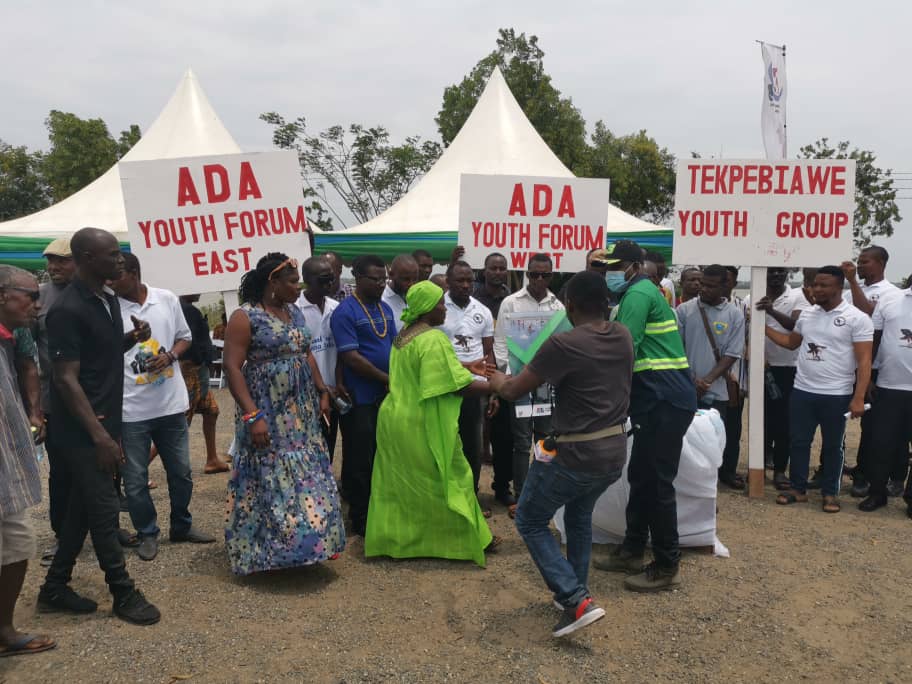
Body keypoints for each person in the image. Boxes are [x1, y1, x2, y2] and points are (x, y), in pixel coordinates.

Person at [490, 271, 633, 638]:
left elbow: (512, 390)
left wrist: (493, 378)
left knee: (529, 519)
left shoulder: (564, 344)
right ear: (607, 303)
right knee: (579, 514)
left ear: (569, 305)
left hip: (576, 454)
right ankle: (577, 591)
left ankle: (574, 599)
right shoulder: (622, 336)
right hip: (613, 453)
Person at [38, 227, 160, 625]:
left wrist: (132, 337)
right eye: (112, 253)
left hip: (105, 422)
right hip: (82, 430)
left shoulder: (105, 298)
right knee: (105, 509)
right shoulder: (66, 309)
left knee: (81, 507)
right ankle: (123, 592)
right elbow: (65, 378)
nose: (120, 259)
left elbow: (99, 352)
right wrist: (100, 436)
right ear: (88, 258)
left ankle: (54, 587)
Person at [222, 252, 345, 575]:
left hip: (301, 410)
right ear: (272, 282)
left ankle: (311, 542)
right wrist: (253, 416)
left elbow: (306, 354)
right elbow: (232, 367)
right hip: (267, 410)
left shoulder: (294, 312)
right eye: (292, 282)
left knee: (307, 473)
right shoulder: (245, 316)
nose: (297, 287)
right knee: (269, 474)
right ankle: (269, 551)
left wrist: (322, 391)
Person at [365, 280, 495, 566]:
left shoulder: (404, 335)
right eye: (439, 304)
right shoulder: (433, 338)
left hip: (394, 419)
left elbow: (423, 369)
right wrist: (498, 386)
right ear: (426, 308)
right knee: (452, 476)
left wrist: (464, 366)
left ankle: (400, 541)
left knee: (403, 485)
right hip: (421, 421)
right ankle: (464, 540)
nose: (444, 308)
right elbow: (455, 385)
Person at [594, 240, 696, 592]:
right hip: (657, 398)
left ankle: (667, 565)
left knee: (656, 483)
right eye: (607, 267)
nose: (610, 272)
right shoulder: (636, 293)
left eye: (616, 266)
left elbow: (623, 350)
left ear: (635, 267)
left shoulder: (637, 295)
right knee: (640, 475)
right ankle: (633, 549)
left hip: (663, 398)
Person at [111, 253, 214, 562]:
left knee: (181, 472)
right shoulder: (110, 308)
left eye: (115, 275)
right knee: (135, 479)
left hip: (170, 405)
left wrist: (169, 356)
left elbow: (185, 337)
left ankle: (181, 525)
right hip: (131, 410)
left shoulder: (166, 299)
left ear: (133, 273)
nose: (109, 281)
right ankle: (147, 532)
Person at [766, 266, 873, 513]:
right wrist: (762, 327)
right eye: (815, 284)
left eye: (824, 285)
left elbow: (864, 361)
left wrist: (858, 397)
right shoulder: (807, 315)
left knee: (833, 446)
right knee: (799, 442)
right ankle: (798, 489)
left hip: (837, 394)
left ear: (838, 287)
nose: (817, 289)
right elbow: (791, 343)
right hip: (803, 391)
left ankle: (830, 493)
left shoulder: (857, 318)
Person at [0, 265, 56, 657]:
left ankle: (4, 630)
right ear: (3, 294)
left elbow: (28, 368)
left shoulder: (13, 337)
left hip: (6, 467)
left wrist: (34, 414)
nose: (37, 304)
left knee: (19, 543)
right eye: (31, 296)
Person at [494, 254, 565, 513]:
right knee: (522, 442)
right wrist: (509, 375)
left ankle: (542, 493)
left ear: (551, 276)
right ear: (527, 274)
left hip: (547, 384)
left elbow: (562, 346)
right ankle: (522, 495)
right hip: (519, 382)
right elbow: (500, 342)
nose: (539, 279)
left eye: (545, 275)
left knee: (545, 439)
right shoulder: (511, 303)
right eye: (534, 274)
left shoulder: (558, 307)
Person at [330, 254, 395, 536]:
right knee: (360, 456)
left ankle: (381, 509)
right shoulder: (345, 312)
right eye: (375, 279)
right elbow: (351, 357)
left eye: (384, 279)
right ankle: (360, 517)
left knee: (383, 452)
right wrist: (386, 378)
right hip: (360, 396)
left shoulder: (385, 308)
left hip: (386, 395)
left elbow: (394, 345)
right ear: (358, 277)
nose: (381, 284)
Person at [676, 264, 746, 489]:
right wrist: (691, 379)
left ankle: (708, 485)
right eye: (703, 284)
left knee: (712, 441)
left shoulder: (734, 314)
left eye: (711, 286)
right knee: (684, 438)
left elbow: (732, 353)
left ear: (725, 286)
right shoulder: (684, 310)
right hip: (686, 389)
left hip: (717, 392)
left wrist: (706, 380)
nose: (703, 289)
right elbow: (676, 348)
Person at [840, 246, 901, 497]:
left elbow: (867, 316)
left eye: (865, 262)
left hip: (872, 369)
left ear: (881, 263)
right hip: (846, 367)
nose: (860, 266)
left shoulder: (892, 294)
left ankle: (866, 475)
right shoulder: (848, 293)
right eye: (859, 261)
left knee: (873, 427)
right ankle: (835, 469)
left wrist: (853, 281)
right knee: (839, 420)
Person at [34, 237, 76, 567]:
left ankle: (106, 529)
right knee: (61, 471)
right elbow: (27, 357)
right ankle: (63, 535)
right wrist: (34, 408)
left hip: (96, 398)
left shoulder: (98, 294)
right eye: (50, 260)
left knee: (106, 470)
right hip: (56, 401)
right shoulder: (38, 298)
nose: (53, 267)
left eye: (61, 260)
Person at [440, 260, 497, 496]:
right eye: (460, 280)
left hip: (474, 388)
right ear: (448, 281)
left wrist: (492, 389)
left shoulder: (482, 311)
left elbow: (488, 352)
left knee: (472, 446)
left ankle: (470, 496)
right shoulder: (437, 308)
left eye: (469, 280)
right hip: (444, 387)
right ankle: (445, 496)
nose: (465, 285)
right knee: (444, 443)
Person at [753, 267, 812, 489]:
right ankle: (758, 468)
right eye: (772, 272)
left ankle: (779, 470)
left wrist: (770, 311)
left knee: (784, 422)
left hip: (789, 368)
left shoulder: (797, 297)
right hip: (760, 368)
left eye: (780, 271)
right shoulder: (752, 297)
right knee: (761, 421)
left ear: (787, 273)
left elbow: (796, 326)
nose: (776, 275)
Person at [859, 281, 912, 513]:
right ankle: (877, 493)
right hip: (889, 385)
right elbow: (875, 339)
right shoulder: (891, 300)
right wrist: (868, 377)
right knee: (881, 443)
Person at [473, 252, 514, 505]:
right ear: (484, 270)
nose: (498, 272)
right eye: (493, 268)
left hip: (503, 374)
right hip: (476, 373)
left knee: (504, 437)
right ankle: (472, 490)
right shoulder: (473, 298)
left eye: (502, 268)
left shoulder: (511, 300)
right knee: (475, 437)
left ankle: (502, 487)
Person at [178, 294, 230, 474]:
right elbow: (188, 341)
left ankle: (212, 459)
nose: (199, 291)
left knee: (211, 411)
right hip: (192, 370)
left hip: (197, 369)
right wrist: (202, 360)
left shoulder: (186, 308)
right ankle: (139, 470)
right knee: (178, 424)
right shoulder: (185, 310)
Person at [296, 256, 342, 457]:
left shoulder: (336, 308)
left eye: (332, 278)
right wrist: (319, 387)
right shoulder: (294, 310)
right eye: (323, 279)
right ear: (307, 279)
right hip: (306, 393)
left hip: (335, 392)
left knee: (329, 445)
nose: (329, 283)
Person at [381, 254, 419, 333]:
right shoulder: (381, 299)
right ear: (391, 275)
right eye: (406, 279)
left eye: (415, 279)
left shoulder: (418, 296)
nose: (411, 284)